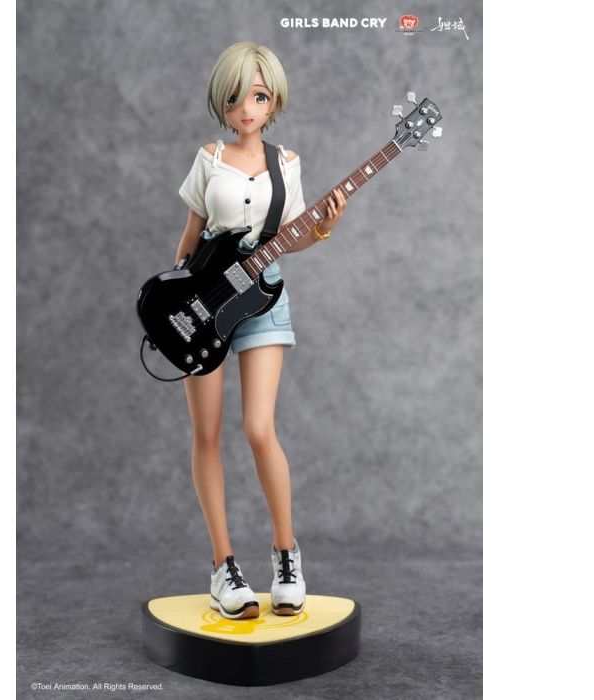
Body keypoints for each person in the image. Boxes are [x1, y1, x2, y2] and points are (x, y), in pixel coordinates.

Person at [174, 42, 346, 619]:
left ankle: (286, 555)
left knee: (259, 427)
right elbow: (191, 238)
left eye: (258, 96)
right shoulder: (209, 158)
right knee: (206, 433)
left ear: (273, 101)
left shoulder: (286, 163)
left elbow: (289, 237)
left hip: (263, 297)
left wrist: (321, 229)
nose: (245, 109)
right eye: (234, 97)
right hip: (203, 297)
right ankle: (223, 566)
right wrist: (176, 307)